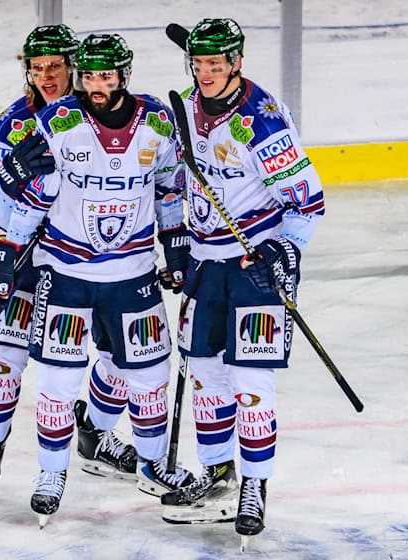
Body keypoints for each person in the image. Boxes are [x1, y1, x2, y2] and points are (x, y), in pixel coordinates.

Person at [0, 33, 195, 525]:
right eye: (88, 77)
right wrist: (9, 246)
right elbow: (33, 196)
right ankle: (51, 473)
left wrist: (175, 240)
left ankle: (154, 464)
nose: (96, 86)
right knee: (58, 381)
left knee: (149, 375)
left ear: (124, 75)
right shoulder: (57, 122)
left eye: (106, 76)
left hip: (132, 276)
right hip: (66, 275)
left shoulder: (158, 122)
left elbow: (169, 185)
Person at [0, 25, 138, 513]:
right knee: (0, 358)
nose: (46, 76)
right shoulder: (13, 123)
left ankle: (95, 432)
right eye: (37, 68)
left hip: (96, 262)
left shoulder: (103, 114)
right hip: (29, 264)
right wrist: (13, 180)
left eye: (56, 65)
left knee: (122, 357)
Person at [159, 18, 326, 543]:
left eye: (215, 64)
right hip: (207, 266)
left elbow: (308, 202)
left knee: (252, 382)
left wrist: (284, 248)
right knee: (206, 374)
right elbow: (171, 183)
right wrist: (179, 243)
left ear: (236, 63)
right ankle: (218, 473)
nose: (205, 73)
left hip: (255, 265)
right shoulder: (182, 110)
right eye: (199, 64)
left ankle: (255, 484)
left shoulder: (262, 120)